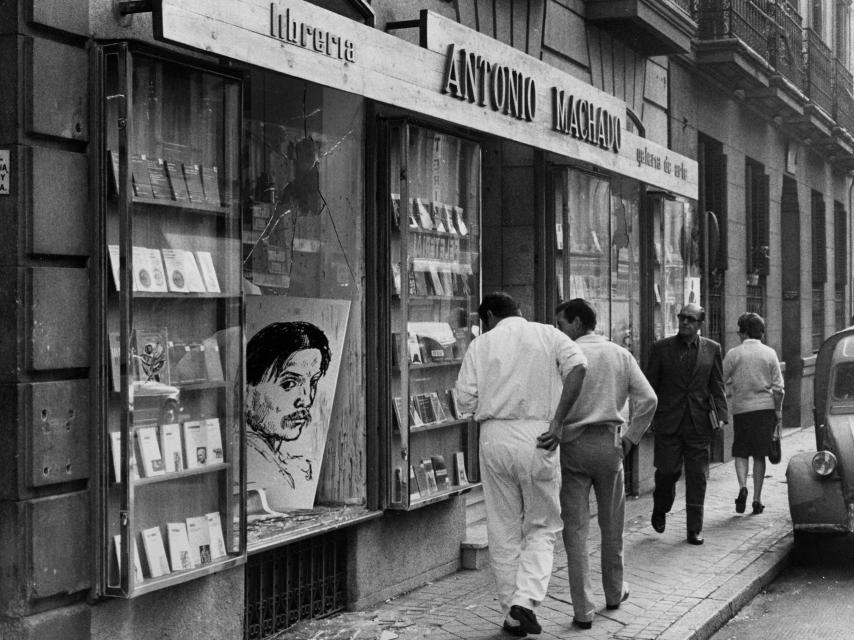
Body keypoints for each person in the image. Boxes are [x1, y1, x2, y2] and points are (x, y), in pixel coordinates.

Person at [455, 292, 588, 637]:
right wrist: (558, 422)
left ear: (487, 316)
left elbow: (465, 400)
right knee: (542, 525)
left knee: (502, 527)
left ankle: (511, 611)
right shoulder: (548, 334)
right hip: (538, 434)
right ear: (520, 310)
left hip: (493, 435)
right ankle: (525, 601)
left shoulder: (480, 345)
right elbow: (579, 366)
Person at [553, 299, 657, 630]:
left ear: (577, 322)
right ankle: (614, 592)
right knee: (612, 525)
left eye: (562, 322)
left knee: (576, 530)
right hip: (610, 444)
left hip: (571, 446)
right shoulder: (619, 354)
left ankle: (583, 609)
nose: (558, 329)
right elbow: (650, 399)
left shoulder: (564, 354)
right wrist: (630, 438)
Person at [645, 302, 727, 545]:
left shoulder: (712, 349)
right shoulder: (661, 348)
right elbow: (649, 386)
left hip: (698, 423)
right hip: (668, 422)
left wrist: (721, 415)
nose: (684, 322)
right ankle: (661, 507)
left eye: (690, 319)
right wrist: (648, 417)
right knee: (668, 471)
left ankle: (694, 529)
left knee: (697, 476)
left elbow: (717, 385)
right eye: (682, 318)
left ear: (700, 324)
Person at [246, 321, 332, 489]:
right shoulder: (251, 462)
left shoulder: (280, 462)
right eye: (289, 384)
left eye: (313, 382)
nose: (306, 400)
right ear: (247, 390)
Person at [722, 312, 784, 515]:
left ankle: (742, 488)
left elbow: (721, 379)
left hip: (742, 410)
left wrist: (733, 388)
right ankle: (757, 500)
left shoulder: (733, 354)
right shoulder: (770, 353)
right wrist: (778, 410)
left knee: (741, 451)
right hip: (765, 410)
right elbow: (779, 389)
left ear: (744, 332)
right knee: (759, 454)